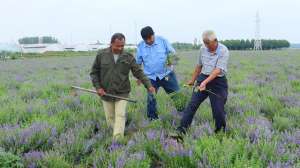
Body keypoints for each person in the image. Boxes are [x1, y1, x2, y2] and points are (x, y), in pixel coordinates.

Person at [90, 33, 156, 138]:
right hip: (105, 92)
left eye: (122, 46)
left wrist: (149, 85)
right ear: (111, 43)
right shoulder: (101, 55)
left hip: (122, 92)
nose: (120, 48)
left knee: (120, 115)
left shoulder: (128, 57)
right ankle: (112, 134)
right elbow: (94, 73)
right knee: (110, 117)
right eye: (118, 46)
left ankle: (117, 140)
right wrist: (98, 87)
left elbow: (138, 72)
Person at [176, 30, 230, 135]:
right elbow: (199, 66)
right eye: (204, 43)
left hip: (218, 82)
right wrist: (193, 80)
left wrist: (205, 82)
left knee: (218, 110)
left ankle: (220, 134)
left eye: (208, 44)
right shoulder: (203, 49)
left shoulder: (224, 50)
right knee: (192, 105)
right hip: (203, 78)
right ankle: (181, 131)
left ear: (215, 41)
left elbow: (217, 70)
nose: (207, 47)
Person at [136, 26, 181, 120]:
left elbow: (173, 54)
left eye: (150, 38)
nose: (148, 41)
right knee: (151, 98)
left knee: (176, 95)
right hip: (151, 78)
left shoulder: (162, 41)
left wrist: (171, 61)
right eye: (146, 39)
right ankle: (152, 119)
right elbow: (138, 63)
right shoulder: (140, 46)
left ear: (153, 35)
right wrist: (138, 77)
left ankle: (183, 114)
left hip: (166, 75)